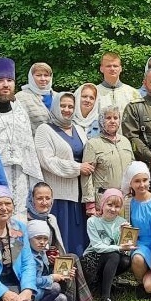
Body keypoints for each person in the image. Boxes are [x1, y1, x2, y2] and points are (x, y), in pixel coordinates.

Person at [0, 57, 43, 221]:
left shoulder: (21, 113)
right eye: (0, 80)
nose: (6, 84)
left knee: (20, 222)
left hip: (22, 177)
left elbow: (29, 149)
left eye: (9, 80)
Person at [27, 182, 96, 301]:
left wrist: (58, 258)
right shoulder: (24, 220)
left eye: (48, 198)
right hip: (35, 269)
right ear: (32, 199)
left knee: (71, 259)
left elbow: (59, 247)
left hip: (50, 265)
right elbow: (25, 255)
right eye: (40, 198)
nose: (44, 202)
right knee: (73, 259)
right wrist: (46, 257)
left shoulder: (51, 218)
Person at [34, 92, 92, 256]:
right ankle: (59, 278)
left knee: (79, 242)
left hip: (79, 194)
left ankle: (78, 277)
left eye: (71, 106)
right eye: (63, 105)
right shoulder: (44, 130)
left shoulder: (79, 129)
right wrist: (77, 168)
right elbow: (47, 160)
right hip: (59, 195)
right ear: (55, 106)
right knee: (61, 242)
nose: (67, 109)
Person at [84, 188, 134, 301]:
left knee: (126, 260)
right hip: (92, 258)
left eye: (117, 206)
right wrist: (119, 247)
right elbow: (97, 246)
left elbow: (122, 248)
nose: (112, 209)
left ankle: (103, 285)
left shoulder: (122, 222)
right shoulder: (93, 221)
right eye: (109, 204)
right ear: (103, 204)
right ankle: (105, 297)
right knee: (114, 255)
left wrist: (123, 233)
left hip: (111, 256)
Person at [81, 105, 134, 210]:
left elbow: (132, 169)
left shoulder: (125, 142)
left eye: (115, 118)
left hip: (126, 199)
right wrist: (90, 204)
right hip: (104, 200)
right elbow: (86, 176)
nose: (112, 121)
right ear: (101, 121)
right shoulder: (93, 144)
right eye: (108, 118)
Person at [121, 162, 151, 296]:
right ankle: (141, 284)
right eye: (137, 181)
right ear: (130, 183)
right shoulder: (127, 203)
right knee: (137, 259)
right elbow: (123, 225)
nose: (142, 184)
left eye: (144, 180)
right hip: (141, 243)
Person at [27, 220, 74, 301]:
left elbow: (44, 273)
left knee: (63, 299)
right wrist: (52, 277)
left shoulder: (42, 253)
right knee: (54, 288)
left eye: (45, 239)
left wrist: (64, 273)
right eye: (38, 238)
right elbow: (29, 281)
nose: (42, 242)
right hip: (28, 293)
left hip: (39, 292)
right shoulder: (27, 256)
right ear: (29, 238)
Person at [96, 51, 141, 118]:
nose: (112, 69)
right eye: (108, 66)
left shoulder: (133, 93)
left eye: (115, 66)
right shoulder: (94, 93)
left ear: (120, 68)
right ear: (101, 69)